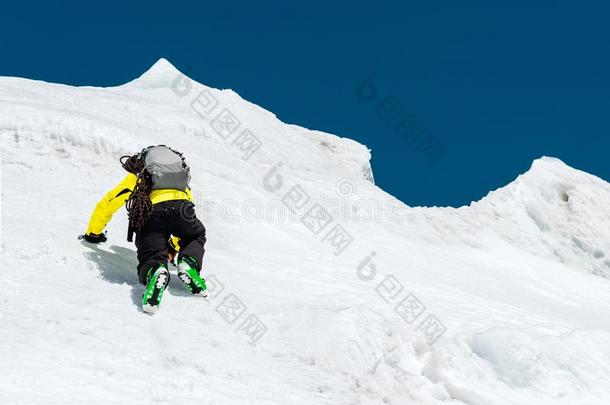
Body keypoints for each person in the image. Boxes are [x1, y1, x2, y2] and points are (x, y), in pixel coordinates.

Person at [82, 145, 207, 313]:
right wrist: (174, 249)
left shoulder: (141, 175)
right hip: (183, 209)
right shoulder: (180, 179)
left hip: (152, 214)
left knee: (152, 254)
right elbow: (184, 215)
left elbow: (108, 203)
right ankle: (188, 263)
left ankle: (156, 271)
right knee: (194, 235)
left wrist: (93, 234)